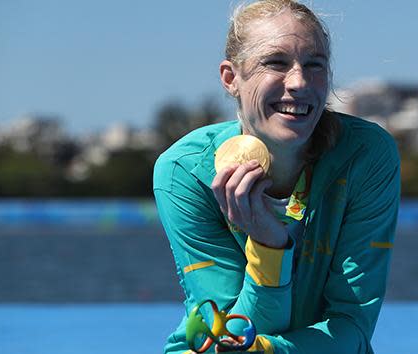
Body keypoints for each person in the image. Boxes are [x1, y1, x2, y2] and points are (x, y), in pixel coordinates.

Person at [153, 1, 401, 353]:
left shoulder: (365, 156)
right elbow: (226, 335)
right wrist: (269, 247)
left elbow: (352, 327)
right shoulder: (184, 172)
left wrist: (266, 351)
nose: (299, 82)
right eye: (276, 63)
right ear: (231, 78)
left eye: (315, 65)